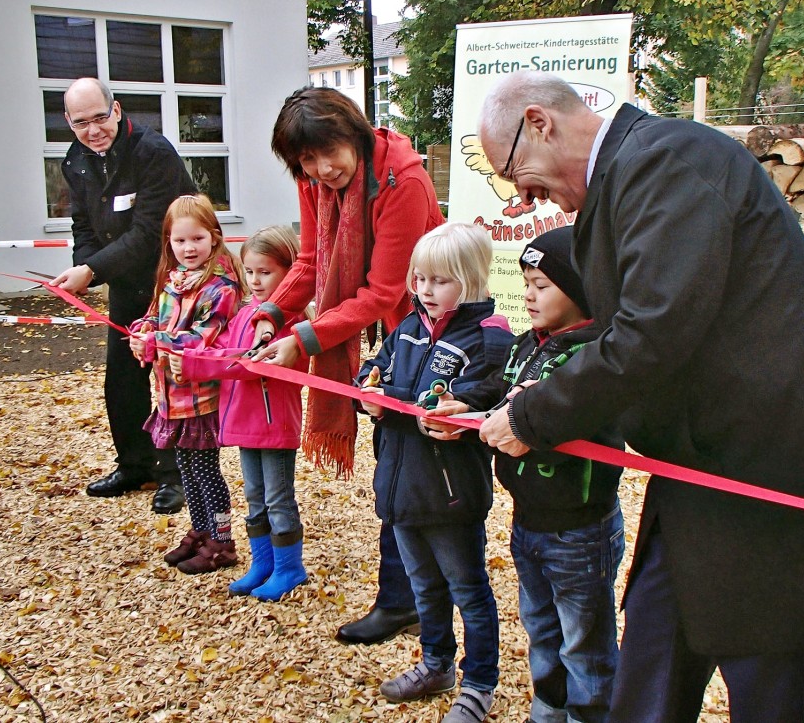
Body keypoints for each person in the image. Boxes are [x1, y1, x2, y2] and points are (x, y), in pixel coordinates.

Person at [475, 71, 804, 722]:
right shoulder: (624, 179)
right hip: (695, 475)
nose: (520, 196)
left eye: (513, 172)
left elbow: (651, 330)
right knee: (649, 679)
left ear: (540, 123)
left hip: (764, 480)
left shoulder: (667, 159)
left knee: (761, 689)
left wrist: (533, 414)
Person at [249, 86, 445, 644]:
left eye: (328, 150)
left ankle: (411, 599)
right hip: (392, 335)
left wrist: (304, 338)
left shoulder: (401, 180)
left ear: (353, 133)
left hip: (428, 329)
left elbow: (385, 292)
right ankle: (408, 596)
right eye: (306, 159)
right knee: (397, 468)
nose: (320, 168)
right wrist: (270, 311)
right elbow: (310, 262)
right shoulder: (315, 183)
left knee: (410, 465)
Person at [428, 226, 625, 723]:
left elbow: (596, 437)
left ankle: (590, 714)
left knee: (585, 641)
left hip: (580, 530)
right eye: (525, 282)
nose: (528, 294)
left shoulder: (596, 359)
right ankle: (548, 709)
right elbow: (498, 393)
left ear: (580, 290)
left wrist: (533, 418)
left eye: (542, 284)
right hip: (528, 522)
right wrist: (465, 410)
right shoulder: (526, 345)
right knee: (541, 627)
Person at [356, 222, 512, 723]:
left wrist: (396, 401)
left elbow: (483, 398)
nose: (424, 289)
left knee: (468, 588)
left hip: (450, 490)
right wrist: (369, 393)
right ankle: (437, 662)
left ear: (470, 279)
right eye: (419, 278)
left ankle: (481, 681)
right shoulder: (407, 327)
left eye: (439, 280)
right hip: (400, 482)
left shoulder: (489, 337)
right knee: (423, 586)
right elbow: (374, 369)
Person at [52, 77, 195, 514]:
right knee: (122, 377)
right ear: (68, 123)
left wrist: (91, 270)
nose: (93, 130)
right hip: (125, 281)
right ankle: (136, 464)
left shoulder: (153, 152)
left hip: (172, 280)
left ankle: (176, 475)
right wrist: (86, 272)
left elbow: (150, 231)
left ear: (116, 110)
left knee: (171, 378)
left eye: (99, 118)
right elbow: (84, 225)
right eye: (81, 123)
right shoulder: (75, 161)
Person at [172, 226, 311, 600]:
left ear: (289, 273)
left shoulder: (293, 319)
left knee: (278, 499)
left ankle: (289, 567)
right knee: (254, 495)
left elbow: (245, 363)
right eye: (249, 272)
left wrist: (195, 365)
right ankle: (262, 564)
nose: (255, 280)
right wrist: (175, 348)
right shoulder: (245, 312)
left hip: (274, 424)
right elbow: (221, 348)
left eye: (265, 272)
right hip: (244, 424)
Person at [129, 195, 244, 574]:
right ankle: (200, 531)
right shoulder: (171, 282)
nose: (188, 248)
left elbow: (202, 337)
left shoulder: (220, 289)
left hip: (202, 399)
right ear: (169, 243)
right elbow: (150, 318)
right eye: (180, 241)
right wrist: (140, 334)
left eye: (196, 239)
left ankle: (222, 542)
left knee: (206, 470)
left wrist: (157, 340)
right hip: (170, 397)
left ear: (214, 237)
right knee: (185, 467)